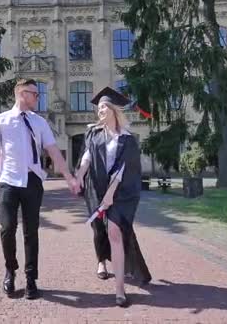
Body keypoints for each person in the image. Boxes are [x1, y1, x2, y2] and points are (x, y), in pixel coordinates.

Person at [0, 78, 80, 300]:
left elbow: (54, 150)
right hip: (8, 181)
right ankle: (10, 269)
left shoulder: (39, 123)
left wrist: (68, 177)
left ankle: (31, 278)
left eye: (39, 94)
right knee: (7, 228)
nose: (39, 98)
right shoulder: (0, 121)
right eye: (35, 94)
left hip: (32, 181)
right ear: (22, 94)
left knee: (31, 231)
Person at [75, 86, 151, 307]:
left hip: (121, 192)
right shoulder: (93, 133)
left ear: (113, 110)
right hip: (96, 188)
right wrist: (79, 175)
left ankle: (119, 289)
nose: (99, 111)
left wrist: (110, 195)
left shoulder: (127, 139)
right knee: (99, 228)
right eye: (98, 108)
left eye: (103, 108)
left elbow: (122, 171)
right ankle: (101, 261)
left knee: (115, 231)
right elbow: (86, 158)